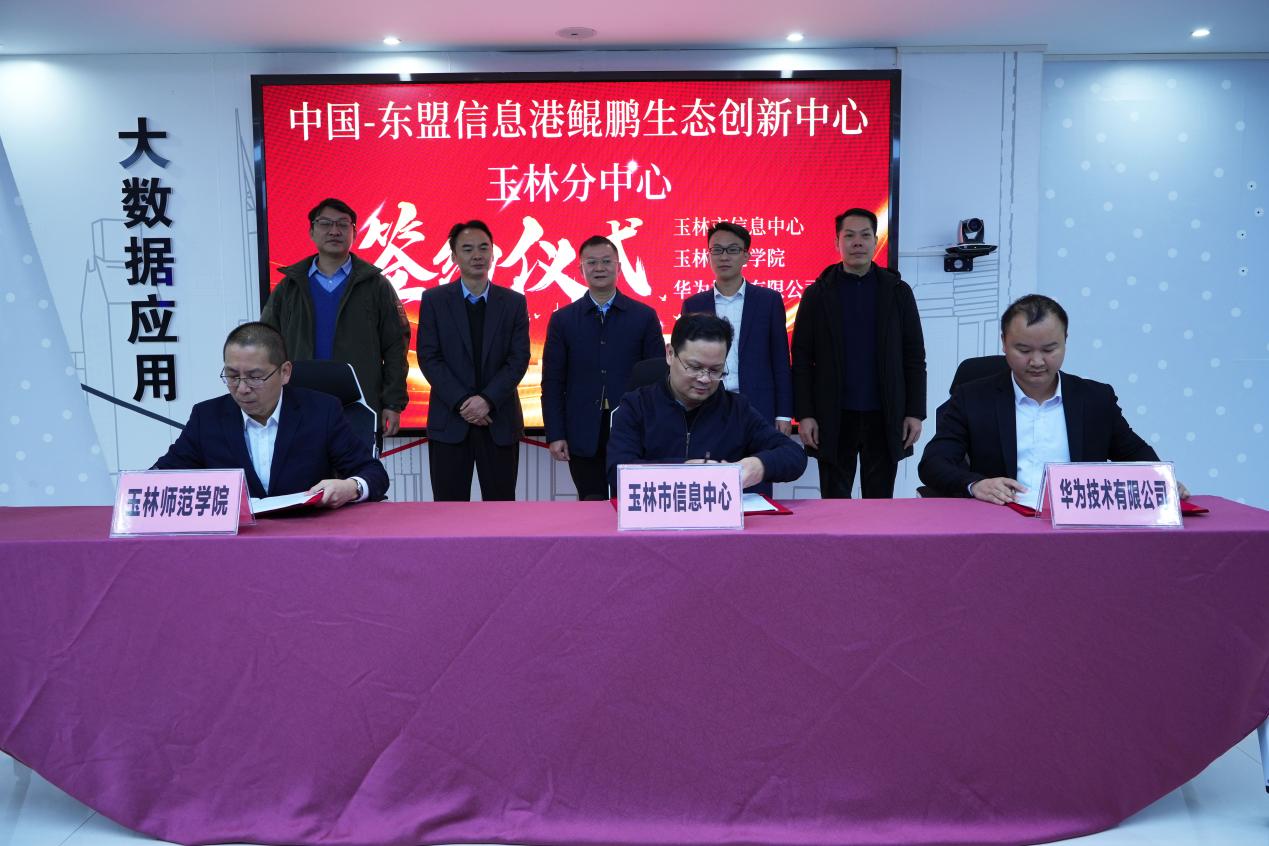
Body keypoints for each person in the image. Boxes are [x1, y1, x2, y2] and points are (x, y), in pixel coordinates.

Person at [918, 294, 1188, 506]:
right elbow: (933, 463)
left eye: (1049, 349)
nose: (1037, 361)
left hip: (1078, 526)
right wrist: (976, 485)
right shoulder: (973, 397)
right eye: (1023, 350)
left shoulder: (1095, 399)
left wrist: (1161, 481)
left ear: (1065, 341)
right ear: (1004, 342)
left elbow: (1136, 455)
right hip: (1001, 523)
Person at [153, 322, 388, 506]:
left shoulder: (321, 411)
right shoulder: (207, 417)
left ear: (284, 372)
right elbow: (160, 478)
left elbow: (374, 474)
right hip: (235, 542)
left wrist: (352, 487)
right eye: (232, 376)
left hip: (306, 536)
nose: (242, 388)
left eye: (255, 377)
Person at [791, 207, 927, 498]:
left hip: (885, 414)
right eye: (849, 236)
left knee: (880, 502)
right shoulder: (817, 294)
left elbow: (914, 357)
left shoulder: (897, 291)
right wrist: (805, 415)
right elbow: (801, 360)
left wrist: (915, 412)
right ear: (837, 242)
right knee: (834, 502)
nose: (857, 243)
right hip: (833, 415)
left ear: (875, 241)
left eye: (865, 236)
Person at [606, 313, 807, 492]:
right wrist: (683, 470)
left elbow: (793, 454)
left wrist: (759, 465)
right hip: (653, 516)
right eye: (694, 367)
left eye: (715, 370)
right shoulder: (637, 406)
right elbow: (617, 470)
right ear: (670, 354)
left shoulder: (736, 409)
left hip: (718, 520)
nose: (704, 379)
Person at [262, 197, 410, 436]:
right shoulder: (289, 286)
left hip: (358, 404)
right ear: (311, 232)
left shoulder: (376, 285)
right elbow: (267, 345)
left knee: (355, 461)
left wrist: (393, 403)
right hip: (299, 402)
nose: (334, 231)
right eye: (325, 223)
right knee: (303, 461)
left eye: (343, 224)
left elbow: (395, 348)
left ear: (354, 233)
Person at [542, 235, 664, 500]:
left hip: (633, 428)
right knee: (591, 502)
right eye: (591, 262)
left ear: (618, 267)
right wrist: (555, 433)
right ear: (580, 269)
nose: (599, 268)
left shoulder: (644, 316)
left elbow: (658, 380)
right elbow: (552, 382)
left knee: (635, 501)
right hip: (582, 430)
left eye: (607, 261)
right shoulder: (563, 320)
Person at [416, 220, 530, 501]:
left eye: (483, 248)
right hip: (450, 420)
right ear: (454, 257)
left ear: (493, 254)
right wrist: (463, 402)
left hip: (498, 419)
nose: (477, 255)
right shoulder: (434, 300)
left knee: (501, 511)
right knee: (449, 510)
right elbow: (429, 357)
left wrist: (487, 400)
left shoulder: (513, 302)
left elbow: (518, 359)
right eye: (467, 249)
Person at [681, 222, 793, 434]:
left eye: (732, 250)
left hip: (758, 406)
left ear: (746, 256)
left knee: (757, 457)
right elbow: (686, 362)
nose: (724, 257)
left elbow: (780, 360)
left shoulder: (768, 301)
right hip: (706, 406)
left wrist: (784, 414)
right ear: (709, 255)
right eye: (717, 250)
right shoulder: (694, 305)